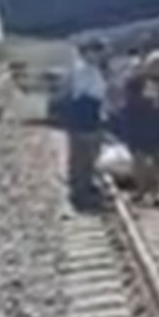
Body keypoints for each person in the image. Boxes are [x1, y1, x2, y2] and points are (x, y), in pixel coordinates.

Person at [121, 50, 159, 206]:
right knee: (139, 159)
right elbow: (127, 100)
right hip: (139, 124)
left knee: (158, 160)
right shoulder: (135, 81)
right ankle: (140, 190)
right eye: (156, 65)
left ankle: (156, 192)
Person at [65, 38, 108, 206]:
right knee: (81, 155)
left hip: (93, 113)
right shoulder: (82, 69)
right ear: (87, 52)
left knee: (90, 154)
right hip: (83, 113)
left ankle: (86, 184)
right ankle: (79, 190)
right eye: (96, 51)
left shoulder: (93, 69)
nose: (98, 55)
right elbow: (85, 93)